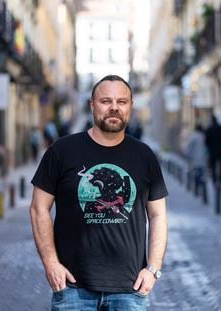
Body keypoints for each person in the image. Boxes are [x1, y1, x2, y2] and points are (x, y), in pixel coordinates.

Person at [30, 75, 168, 310]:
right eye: (106, 101)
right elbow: (38, 208)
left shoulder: (144, 156)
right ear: (92, 105)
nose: (114, 107)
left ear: (130, 107)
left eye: (122, 102)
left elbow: (158, 216)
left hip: (130, 289)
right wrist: (51, 263)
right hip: (73, 289)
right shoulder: (62, 151)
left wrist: (153, 269)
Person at [205, 115, 221, 185]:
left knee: (213, 166)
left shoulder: (209, 129)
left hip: (213, 150)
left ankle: (214, 180)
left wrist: (210, 145)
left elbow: (206, 141)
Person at [185, 124, 207, 192]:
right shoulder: (204, 136)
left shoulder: (193, 136)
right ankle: (200, 188)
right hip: (202, 158)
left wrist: (187, 155)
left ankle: (197, 188)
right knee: (201, 173)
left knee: (195, 173)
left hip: (195, 158)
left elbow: (188, 147)